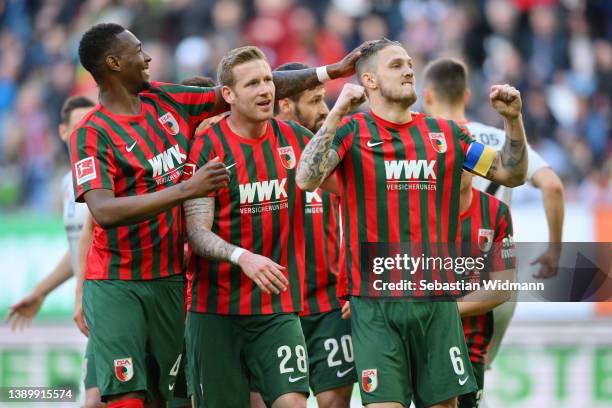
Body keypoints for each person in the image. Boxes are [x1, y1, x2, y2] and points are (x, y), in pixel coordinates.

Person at [72, 22, 358, 408]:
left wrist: (330, 72)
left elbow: (248, 86)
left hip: (172, 279)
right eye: (137, 50)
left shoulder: (164, 101)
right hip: (118, 279)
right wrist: (186, 190)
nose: (148, 56)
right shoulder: (92, 132)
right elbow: (103, 211)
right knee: (125, 395)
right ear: (113, 62)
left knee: (165, 397)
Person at [296, 39, 528, 408]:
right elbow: (306, 179)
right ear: (368, 80)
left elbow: (511, 173)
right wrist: (338, 110)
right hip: (375, 307)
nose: (408, 70)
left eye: (408, 63)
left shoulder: (448, 136)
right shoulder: (351, 134)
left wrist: (513, 120)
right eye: (395, 65)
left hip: (437, 304)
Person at [182, 46, 357, 408]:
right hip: (216, 310)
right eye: (253, 84)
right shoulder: (208, 148)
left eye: (267, 81)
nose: (265, 90)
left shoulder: (293, 138)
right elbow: (196, 231)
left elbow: (354, 193)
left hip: (277, 307)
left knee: (293, 402)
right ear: (227, 95)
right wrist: (242, 257)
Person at [422, 57, 565, 367]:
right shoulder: (501, 138)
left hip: (440, 274)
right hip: (494, 279)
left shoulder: (425, 139)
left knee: (435, 374)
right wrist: (554, 251)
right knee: (476, 371)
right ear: (467, 96)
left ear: (428, 96)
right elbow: (552, 185)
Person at [4, 96, 104, 408]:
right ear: (63, 132)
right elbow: (77, 249)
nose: (89, 132)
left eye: (94, 124)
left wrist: (82, 295)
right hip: (91, 309)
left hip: (108, 303)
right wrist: (40, 292)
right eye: (80, 127)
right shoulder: (65, 184)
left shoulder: (106, 179)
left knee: (98, 399)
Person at [276, 62, 355, 407]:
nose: (324, 109)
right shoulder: (257, 150)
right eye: (314, 100)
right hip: (275, 307)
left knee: (335, 402)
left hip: (328, 304)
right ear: (285, 105)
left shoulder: (336, 152)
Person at [455, 169, 516, 408]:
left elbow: (503, 286)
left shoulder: (495, 211)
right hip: (420, 336)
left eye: (465, 159)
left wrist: (448, 309)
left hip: (470, 337)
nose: (458, 165)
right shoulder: (416, 206)